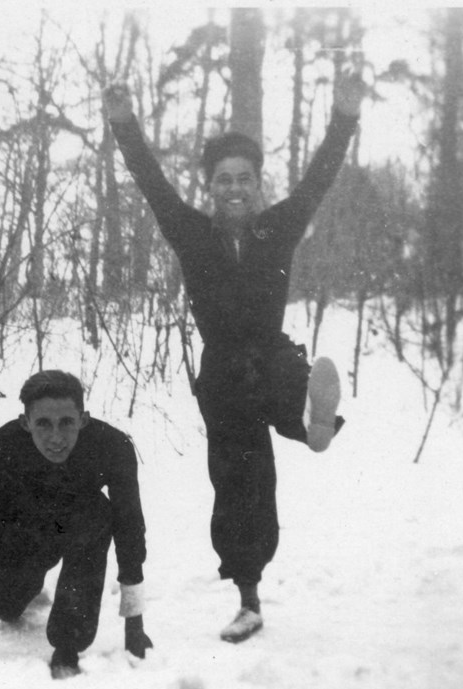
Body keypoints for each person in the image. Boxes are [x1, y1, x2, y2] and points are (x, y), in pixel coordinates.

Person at [102, 73, 364, 643]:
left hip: (271, 355)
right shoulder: (190, 232)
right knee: (243, 485)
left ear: (258, 182)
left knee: (286, 377)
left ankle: (309, 423)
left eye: (245, 178)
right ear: (210, 187)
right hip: (222, 374)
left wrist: (344, 117)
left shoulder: (279, 227)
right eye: (224, 180)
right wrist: (124, 124)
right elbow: (151, 183)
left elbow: (319, 178)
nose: (235, 187)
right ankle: (249, 599)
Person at [0, 370, 153, 679]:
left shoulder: (112, 446)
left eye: (66, 423)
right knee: (5, 609)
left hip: (79, 526)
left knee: (98, 512)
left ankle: (68, 643)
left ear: (83, 420)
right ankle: (24, 585)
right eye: (43, 424)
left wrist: (134, 625)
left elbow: (130, 527)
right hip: (25, 531)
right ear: (25, 422)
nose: (56, 437)